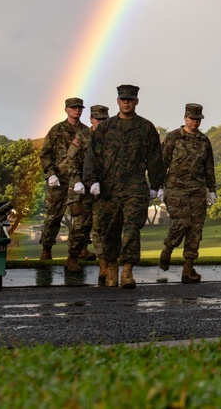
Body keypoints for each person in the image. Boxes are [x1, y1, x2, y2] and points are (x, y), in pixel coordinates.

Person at [84, 84, 166, 289]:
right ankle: (111, 268)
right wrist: (92, 180)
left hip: (135, 188)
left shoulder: (146, 128)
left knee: (131, 230)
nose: (127, 102)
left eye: (130, 99)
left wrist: (156, 185)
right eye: (123, 99)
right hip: (109, 189)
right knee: (110, 230)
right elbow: (92, 157)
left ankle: (127, 271)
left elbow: (155, 158)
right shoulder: (105, 128)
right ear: (118, 101)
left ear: (136, 101)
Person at [159, 103, 217, 283]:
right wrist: (160, 186)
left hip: (197, 188)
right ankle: (168, 248)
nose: (195, 122)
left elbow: (209, 167)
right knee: (183, 222)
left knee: (196, 228)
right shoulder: (173, 137)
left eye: (198, 119)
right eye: (192, 119)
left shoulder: (204, 141)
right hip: (176, 187)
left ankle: (188, 269)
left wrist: (212, 189)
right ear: (185, 118)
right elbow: (162, 163)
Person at [61, 104, 109, 275]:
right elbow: (71, 160)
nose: (101, 122)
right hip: (81, 188)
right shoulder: (82, 137)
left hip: (102, 190)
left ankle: (103, 262)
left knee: (100, 226)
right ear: (91, 120)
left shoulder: (111, 139)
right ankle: (72, 257)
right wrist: (76, 181)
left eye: (104, 119)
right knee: (81, 225)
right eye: (98, 119)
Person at [38, 97, 88, 260]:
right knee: (54, 216)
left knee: (81, 216)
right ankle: (46, 250)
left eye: (79, 108)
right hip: (59, 180)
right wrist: (50, 173)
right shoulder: (56, 130)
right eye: (73, 108)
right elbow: (45, 154)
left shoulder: (86, 132)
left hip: (78, 181)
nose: (77, 110)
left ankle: (81, 249)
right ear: (66, 109)